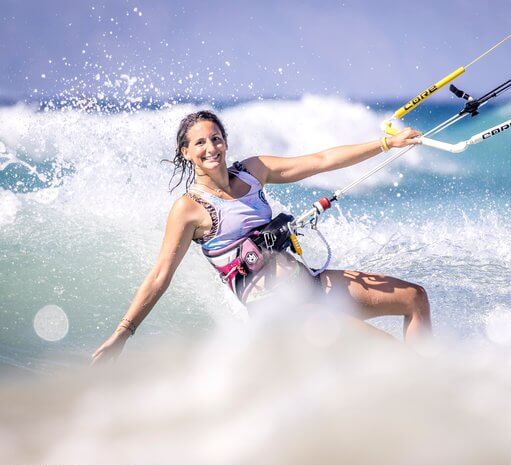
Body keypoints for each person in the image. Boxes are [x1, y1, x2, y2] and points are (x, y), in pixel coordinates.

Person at [92, 110, 432, 364]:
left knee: (415, 298)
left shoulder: (253, 172)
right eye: (200, 143)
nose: (211, 148)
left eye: (216, 138)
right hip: (286, 312)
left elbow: (322, 160)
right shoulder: (189, 209)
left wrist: (388, 142)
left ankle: (427, 400)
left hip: (309, 284)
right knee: (395, 357)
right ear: (185, 151)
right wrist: (123, 334)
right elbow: (159, 277)